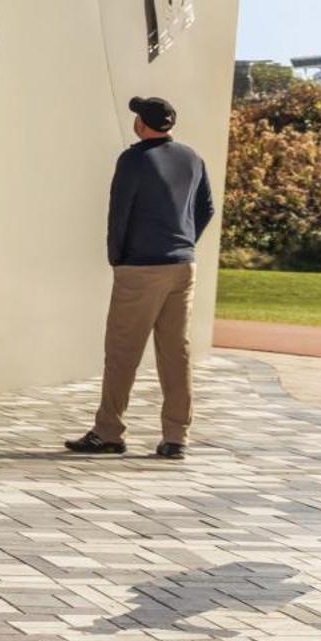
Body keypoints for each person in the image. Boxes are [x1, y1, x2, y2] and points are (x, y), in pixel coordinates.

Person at [66, 96, 214, 461]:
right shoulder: (192, 158)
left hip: (141, 268)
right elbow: (206, 208)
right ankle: (176, 437)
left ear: (141, 124)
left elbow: (120, 213)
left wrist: (118, 258)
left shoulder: (133, 160)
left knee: (122, 352)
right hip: (183, 266)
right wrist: (183, 242)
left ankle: (108, 432)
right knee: (176, 353)